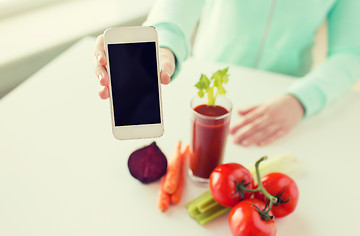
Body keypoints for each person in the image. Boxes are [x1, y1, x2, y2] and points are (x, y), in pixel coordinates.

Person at [94, 0, 360, 146]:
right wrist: (163, 46)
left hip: (284, 97)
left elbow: (350, 53)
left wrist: (302, 100)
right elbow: (176, 8)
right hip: (202, 86)